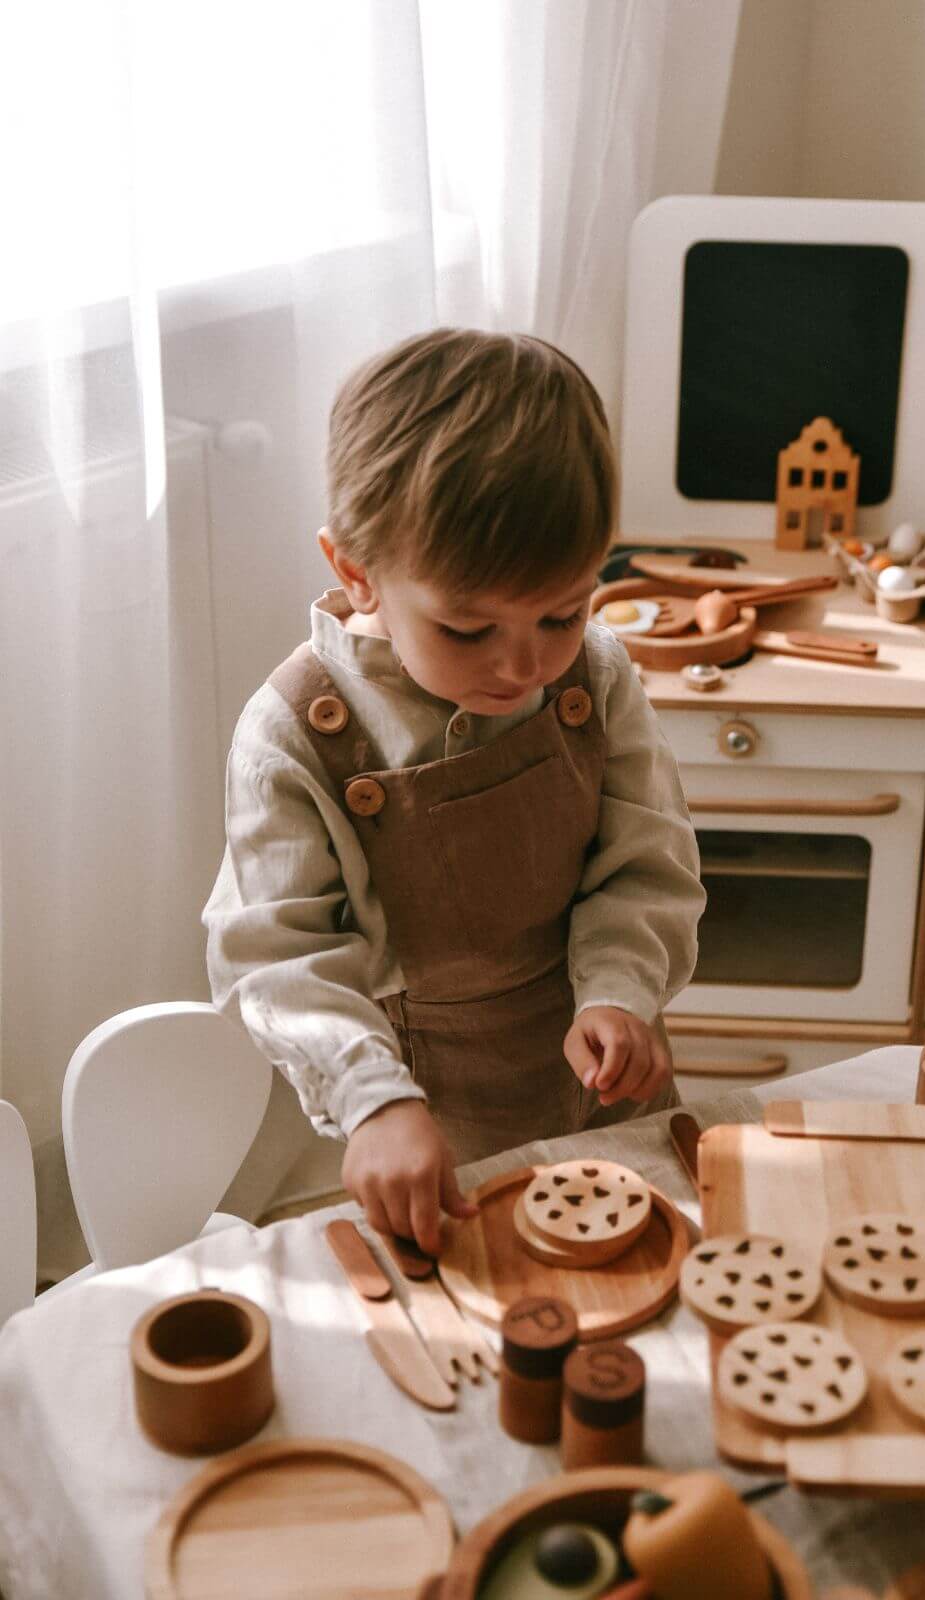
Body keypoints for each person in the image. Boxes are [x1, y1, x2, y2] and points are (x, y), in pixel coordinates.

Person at [204, 328, 705, 1253]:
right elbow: (277, 960)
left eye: (564, 612)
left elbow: (648, 863)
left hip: (595, 1088)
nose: (525, 665)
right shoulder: (291, 736)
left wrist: (622, 992)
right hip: (413, 1118)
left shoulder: (594, 680)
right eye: (468, 629)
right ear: (357, 575)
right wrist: (372, 1100)